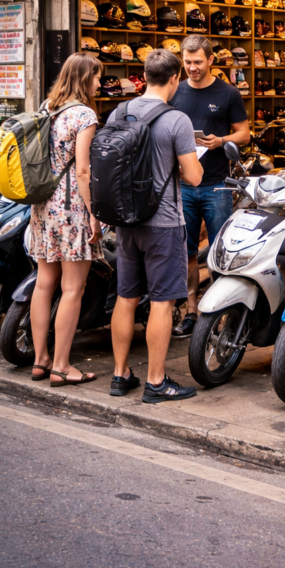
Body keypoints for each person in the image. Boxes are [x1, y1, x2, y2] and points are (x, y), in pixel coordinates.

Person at [109, 48, 204, 403]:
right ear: (176, 78)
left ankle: (120, 375)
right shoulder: (176, 119)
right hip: (163, 222)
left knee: (126, 297)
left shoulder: (120, 111)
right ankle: (156, 381)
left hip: (125, 220)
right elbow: (194, 177)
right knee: (163, 302)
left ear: (144, 76)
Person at [30, 52, 104, 387]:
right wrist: (94, 214)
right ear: (84, 79)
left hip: (43, 206)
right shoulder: (84, 114)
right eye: (97, 77)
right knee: (72, 288)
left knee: (44, 284)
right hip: (72, 207)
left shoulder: (48, 107)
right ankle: (61, 365)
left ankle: (40, 359)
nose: (100, 83)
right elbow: (84, 170)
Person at [170, 34, 250, 337]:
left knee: (219, 251)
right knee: (187, 251)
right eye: (187, 62)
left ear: (211, 60)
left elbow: (244, 134)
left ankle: (218, 309)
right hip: (184, 185)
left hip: (216, 184)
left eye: (197, 62)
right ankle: (192, 311)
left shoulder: (228, 93)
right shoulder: (176, 92)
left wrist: (221, 140)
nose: (191, 68)